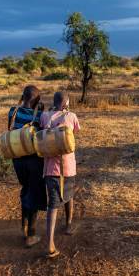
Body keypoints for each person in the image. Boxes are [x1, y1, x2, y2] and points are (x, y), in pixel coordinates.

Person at [40, 91, 80, 258]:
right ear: (67, 103)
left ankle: (51, 241)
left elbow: (43, 131)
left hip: (50, 168)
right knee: (68, 195)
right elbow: (75, 132)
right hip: (68, 166)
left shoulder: (44, 115)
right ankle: (68, 225)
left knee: (53, 203)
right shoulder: (71, 116)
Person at [8, 85, 47, 247]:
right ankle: (31, 233)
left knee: (26, 188)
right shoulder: (39, 116)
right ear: (37, 100)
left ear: (22, 97)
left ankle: (24, 226)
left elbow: (10, 130)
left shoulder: (13, 111)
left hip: (17, 159)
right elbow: (42, 136)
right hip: (33, 160)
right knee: (35, 192)